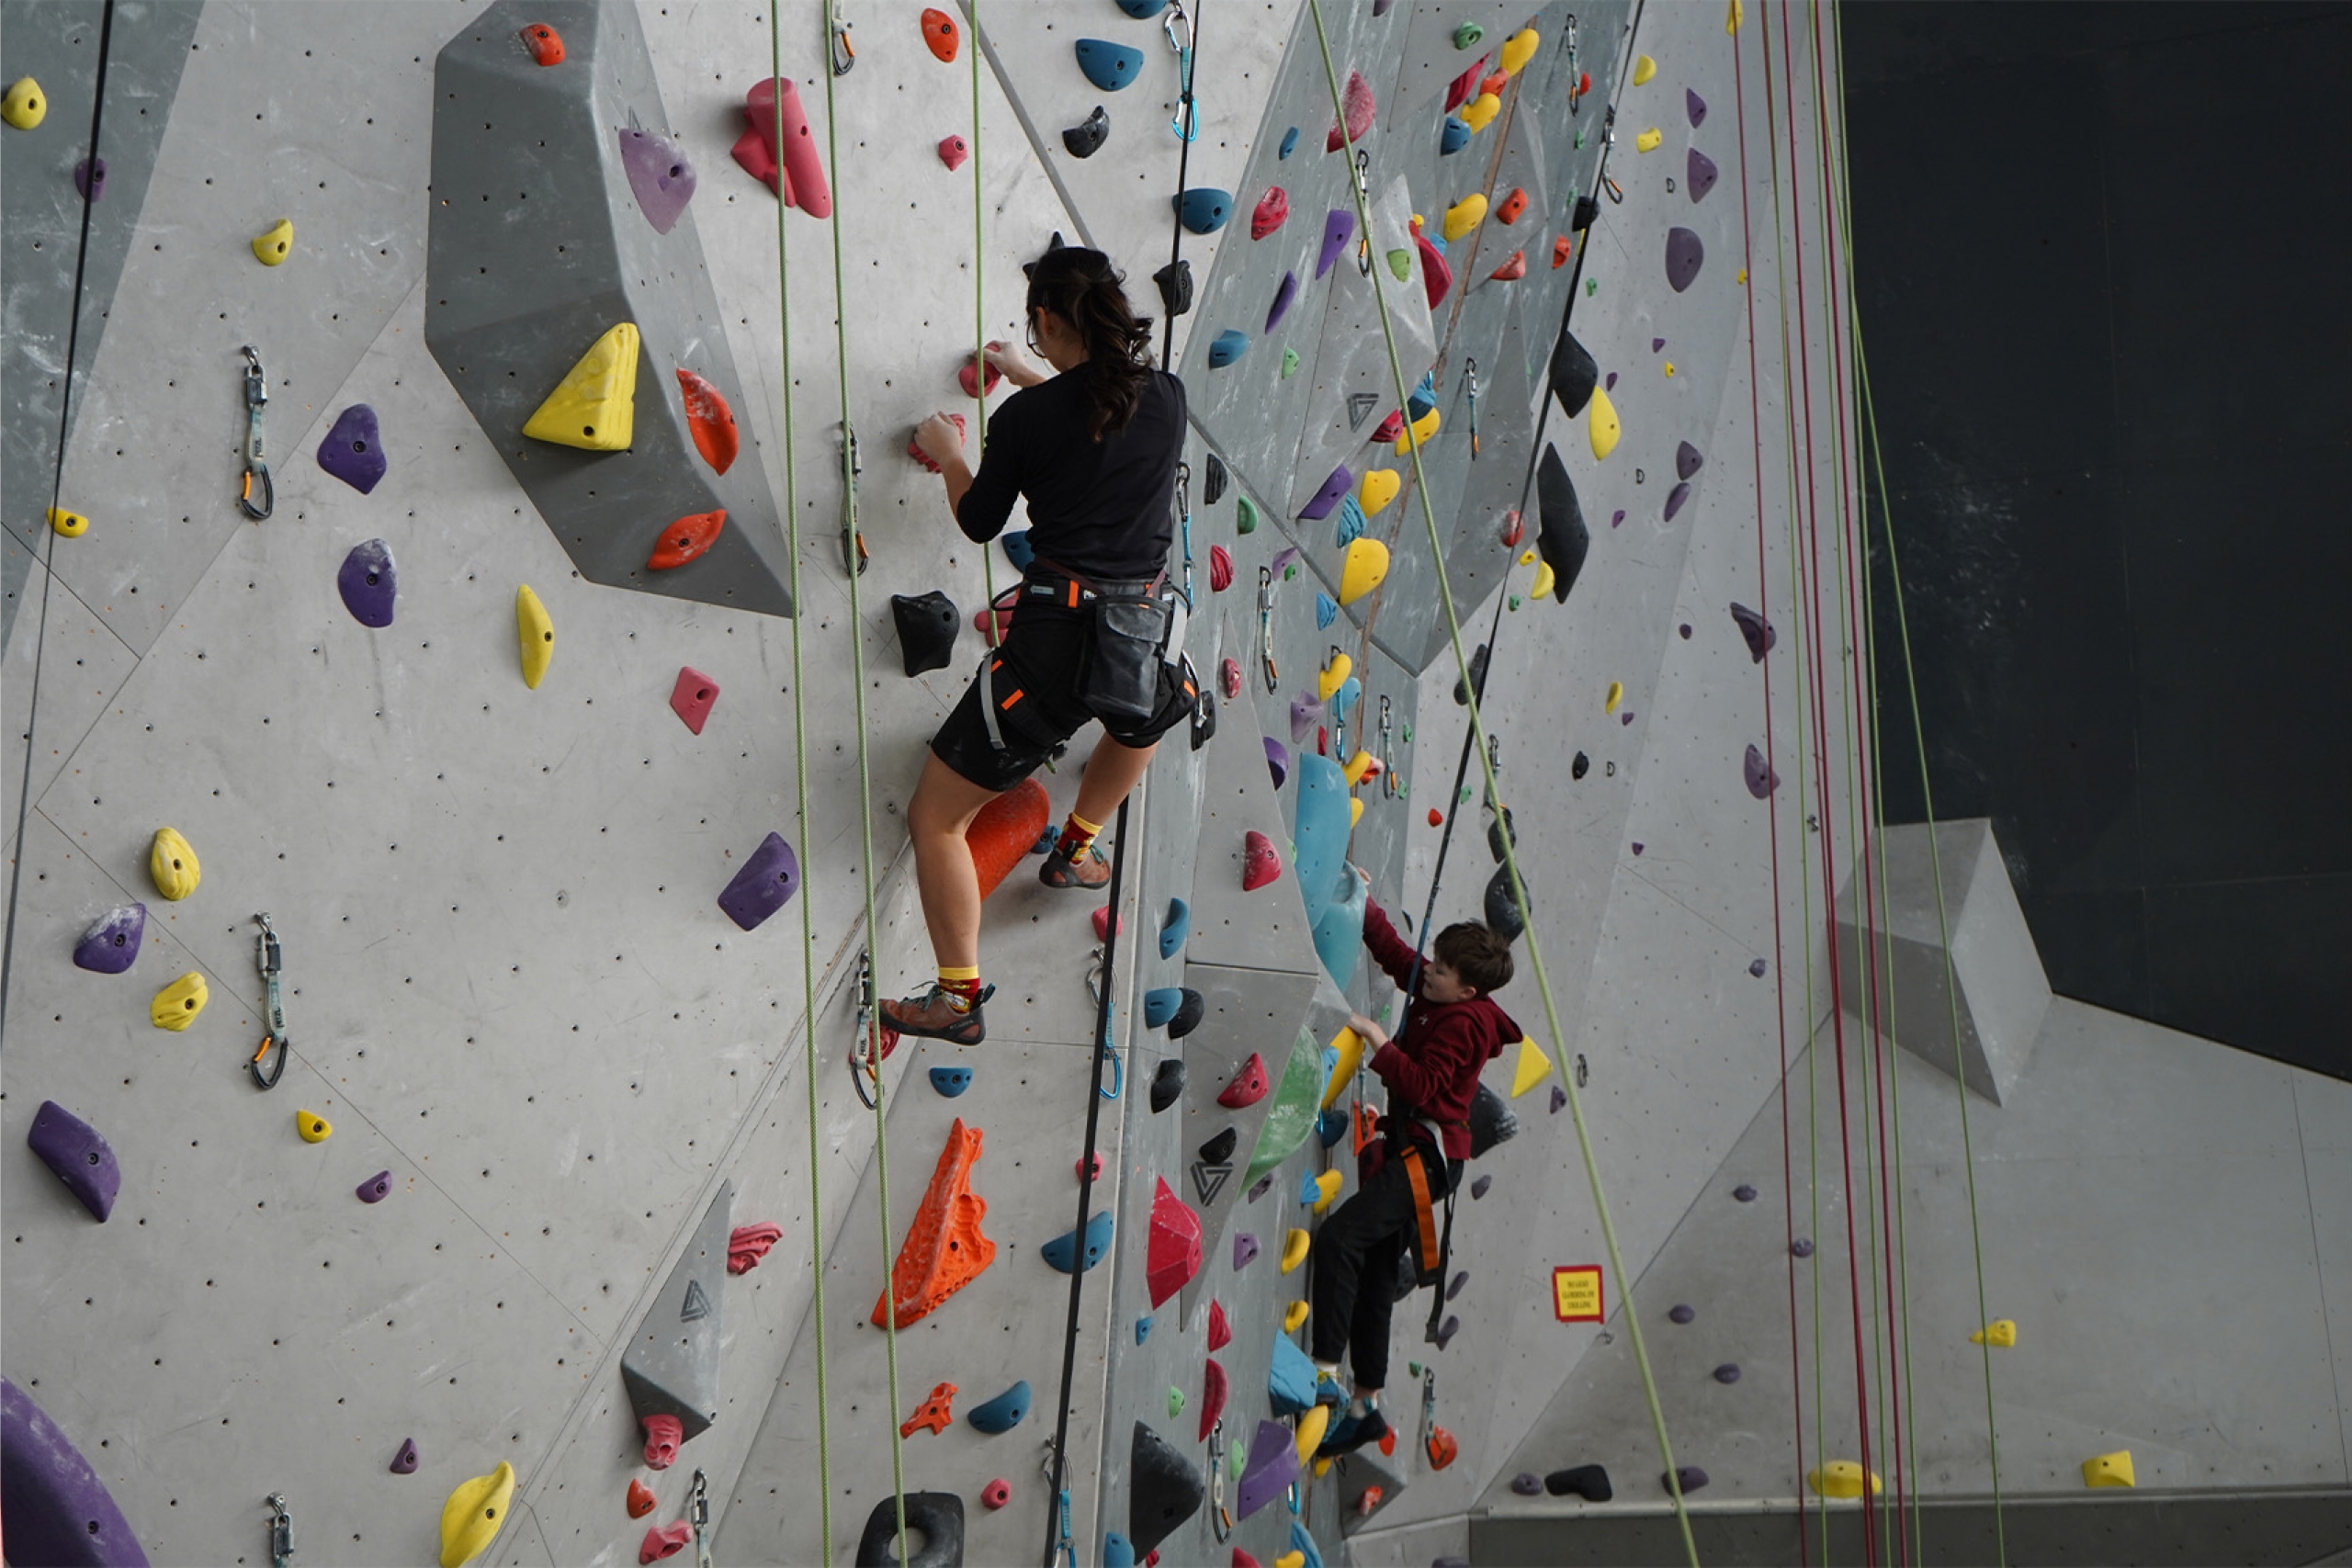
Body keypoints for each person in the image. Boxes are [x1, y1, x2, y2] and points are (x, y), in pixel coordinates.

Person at [880, 244, 1196, 1048]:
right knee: (1144, 722)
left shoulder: (1023, 421)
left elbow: (982, 519)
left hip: (1053, 651)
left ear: (1049, 321)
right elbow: (1094, 416)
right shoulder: (1166, 396)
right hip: (1143, 637)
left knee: (936, 819)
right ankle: (1078, 850)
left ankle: (958, 998)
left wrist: (951, 451)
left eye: (1037, 331)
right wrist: (1027, 371)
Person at [1311, 895, 1521, 1456]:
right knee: (1378, 1274)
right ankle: (1365, 1407)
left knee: (1339, 1240)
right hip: (1417, 1150)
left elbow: (1425, 1088)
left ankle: (1324, 1373)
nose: (1430, 969)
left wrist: (1379, 1042)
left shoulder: (1464, 1027)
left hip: (1427, 1159)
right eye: (1437, 960)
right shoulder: (1438, 992)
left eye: (1443, 970)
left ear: (1468, 991)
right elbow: (1397, 955)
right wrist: (1362, 898)